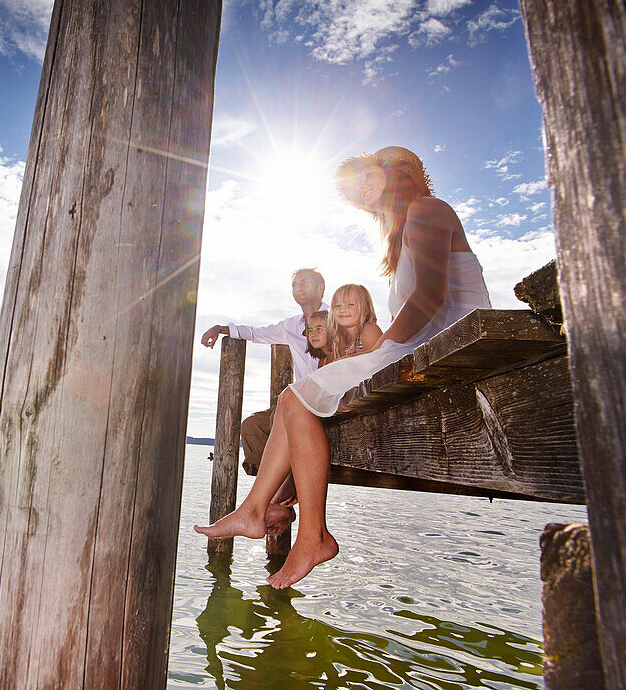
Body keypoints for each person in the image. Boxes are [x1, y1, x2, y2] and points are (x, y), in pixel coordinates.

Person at [196, 146, 491, 589]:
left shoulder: (428, 210)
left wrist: (379, 348)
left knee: (296, 400)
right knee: (290, 400)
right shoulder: (405, 229)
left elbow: (429, 298)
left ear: (396, 170)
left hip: (450, 345)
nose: (362, 189)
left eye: (366, 176)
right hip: (421, 344)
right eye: (354, 189)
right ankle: (258, 511)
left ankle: (308, 534)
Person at [200, 267, 328, 534]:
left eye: (304, 283)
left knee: (285, 408)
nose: (298, 288)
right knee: (251, 427)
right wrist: (221, 328)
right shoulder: (291, 326)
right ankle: (278, 501)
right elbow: (256, 332)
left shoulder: (334, 317)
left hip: (326, 399)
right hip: (299, 400)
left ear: (321, 287)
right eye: (294, 285)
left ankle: (274, 501)